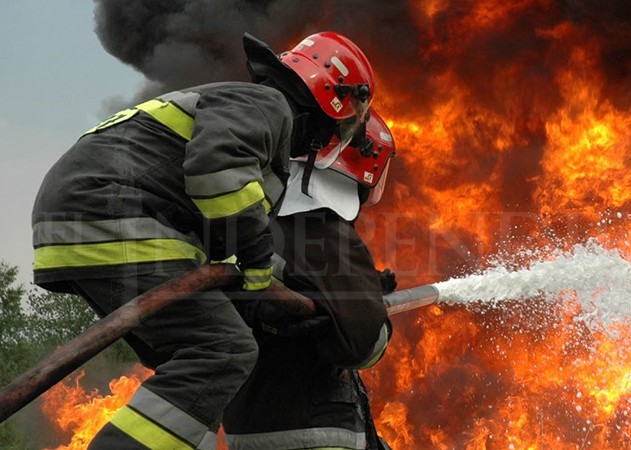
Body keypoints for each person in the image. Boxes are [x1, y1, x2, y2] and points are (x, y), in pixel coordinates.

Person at [30, 31, 375, 450]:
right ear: (331, 96)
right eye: (349, 118)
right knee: (223, 352)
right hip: (112, 212)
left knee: (190, 361)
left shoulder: (250, 115)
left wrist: (286, 285)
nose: (340, 134)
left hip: (85, 217)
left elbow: (225, 234)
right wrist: (257, 260)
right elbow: (217, 174)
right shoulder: (269, 106)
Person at [222, 109, 397, 450]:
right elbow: (363, 344)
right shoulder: (326, 231)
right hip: (316, 430)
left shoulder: (252, 228)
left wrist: (352, 293)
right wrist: (373, 312)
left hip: (249, 429)